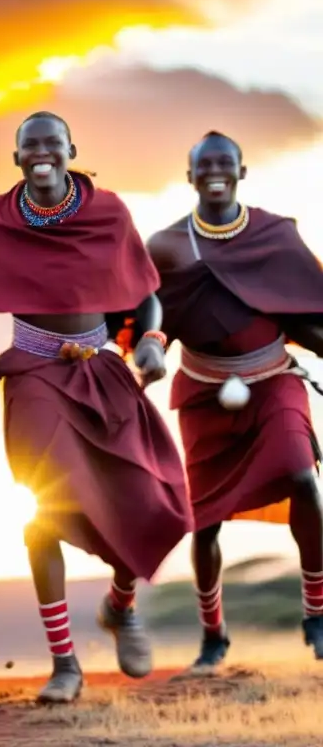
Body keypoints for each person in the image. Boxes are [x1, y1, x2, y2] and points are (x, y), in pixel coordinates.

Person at [0, 113, 193, 704]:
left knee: (151, 497)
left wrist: (154, 345)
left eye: (51, 145)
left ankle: (120, 605)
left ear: (70, 152)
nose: (41, 154)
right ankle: (65, 663)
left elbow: (147, 298)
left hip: (102, 369)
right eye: (29, 146)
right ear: (16, 158)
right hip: (33, 372)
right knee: (42, 506)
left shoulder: (108, 213)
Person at [146, 131, 323, 673]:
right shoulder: (167, 246)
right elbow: (153, 317)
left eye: (226, 163)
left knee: (302, 477)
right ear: (190, 175)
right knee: (206, 522)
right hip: (203, 394)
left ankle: (317, 614)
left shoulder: (276, 234)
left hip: (274, 382)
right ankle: (213, 634)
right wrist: (150, 351)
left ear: (242, 172)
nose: (215, 172)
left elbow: (304, 311)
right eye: (205, 164)